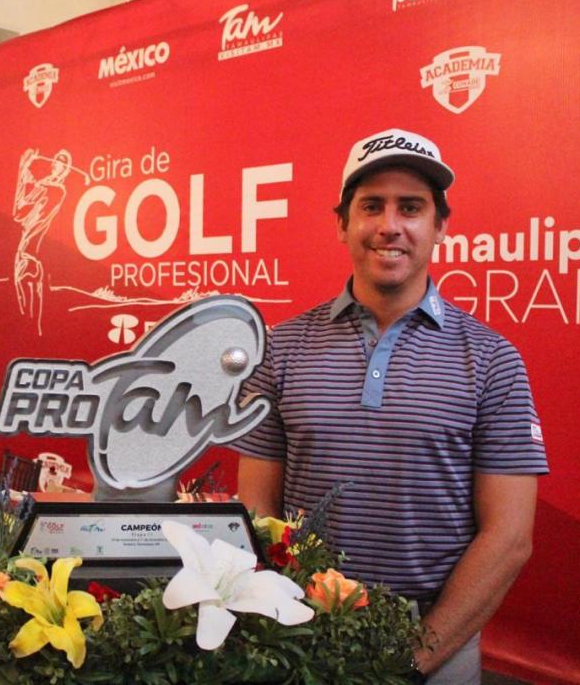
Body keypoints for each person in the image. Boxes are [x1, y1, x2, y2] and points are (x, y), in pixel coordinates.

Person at [232, 128, 548, 684]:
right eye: (371, 206)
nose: (390, 226)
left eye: (411, 207)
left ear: (440, 225)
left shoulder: (492, 359)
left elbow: (509, 539)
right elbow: (257, 507)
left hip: (435, 642)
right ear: (342, 223)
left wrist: (408, 662)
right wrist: (280, 615)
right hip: (297, 633)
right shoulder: (280, 349)